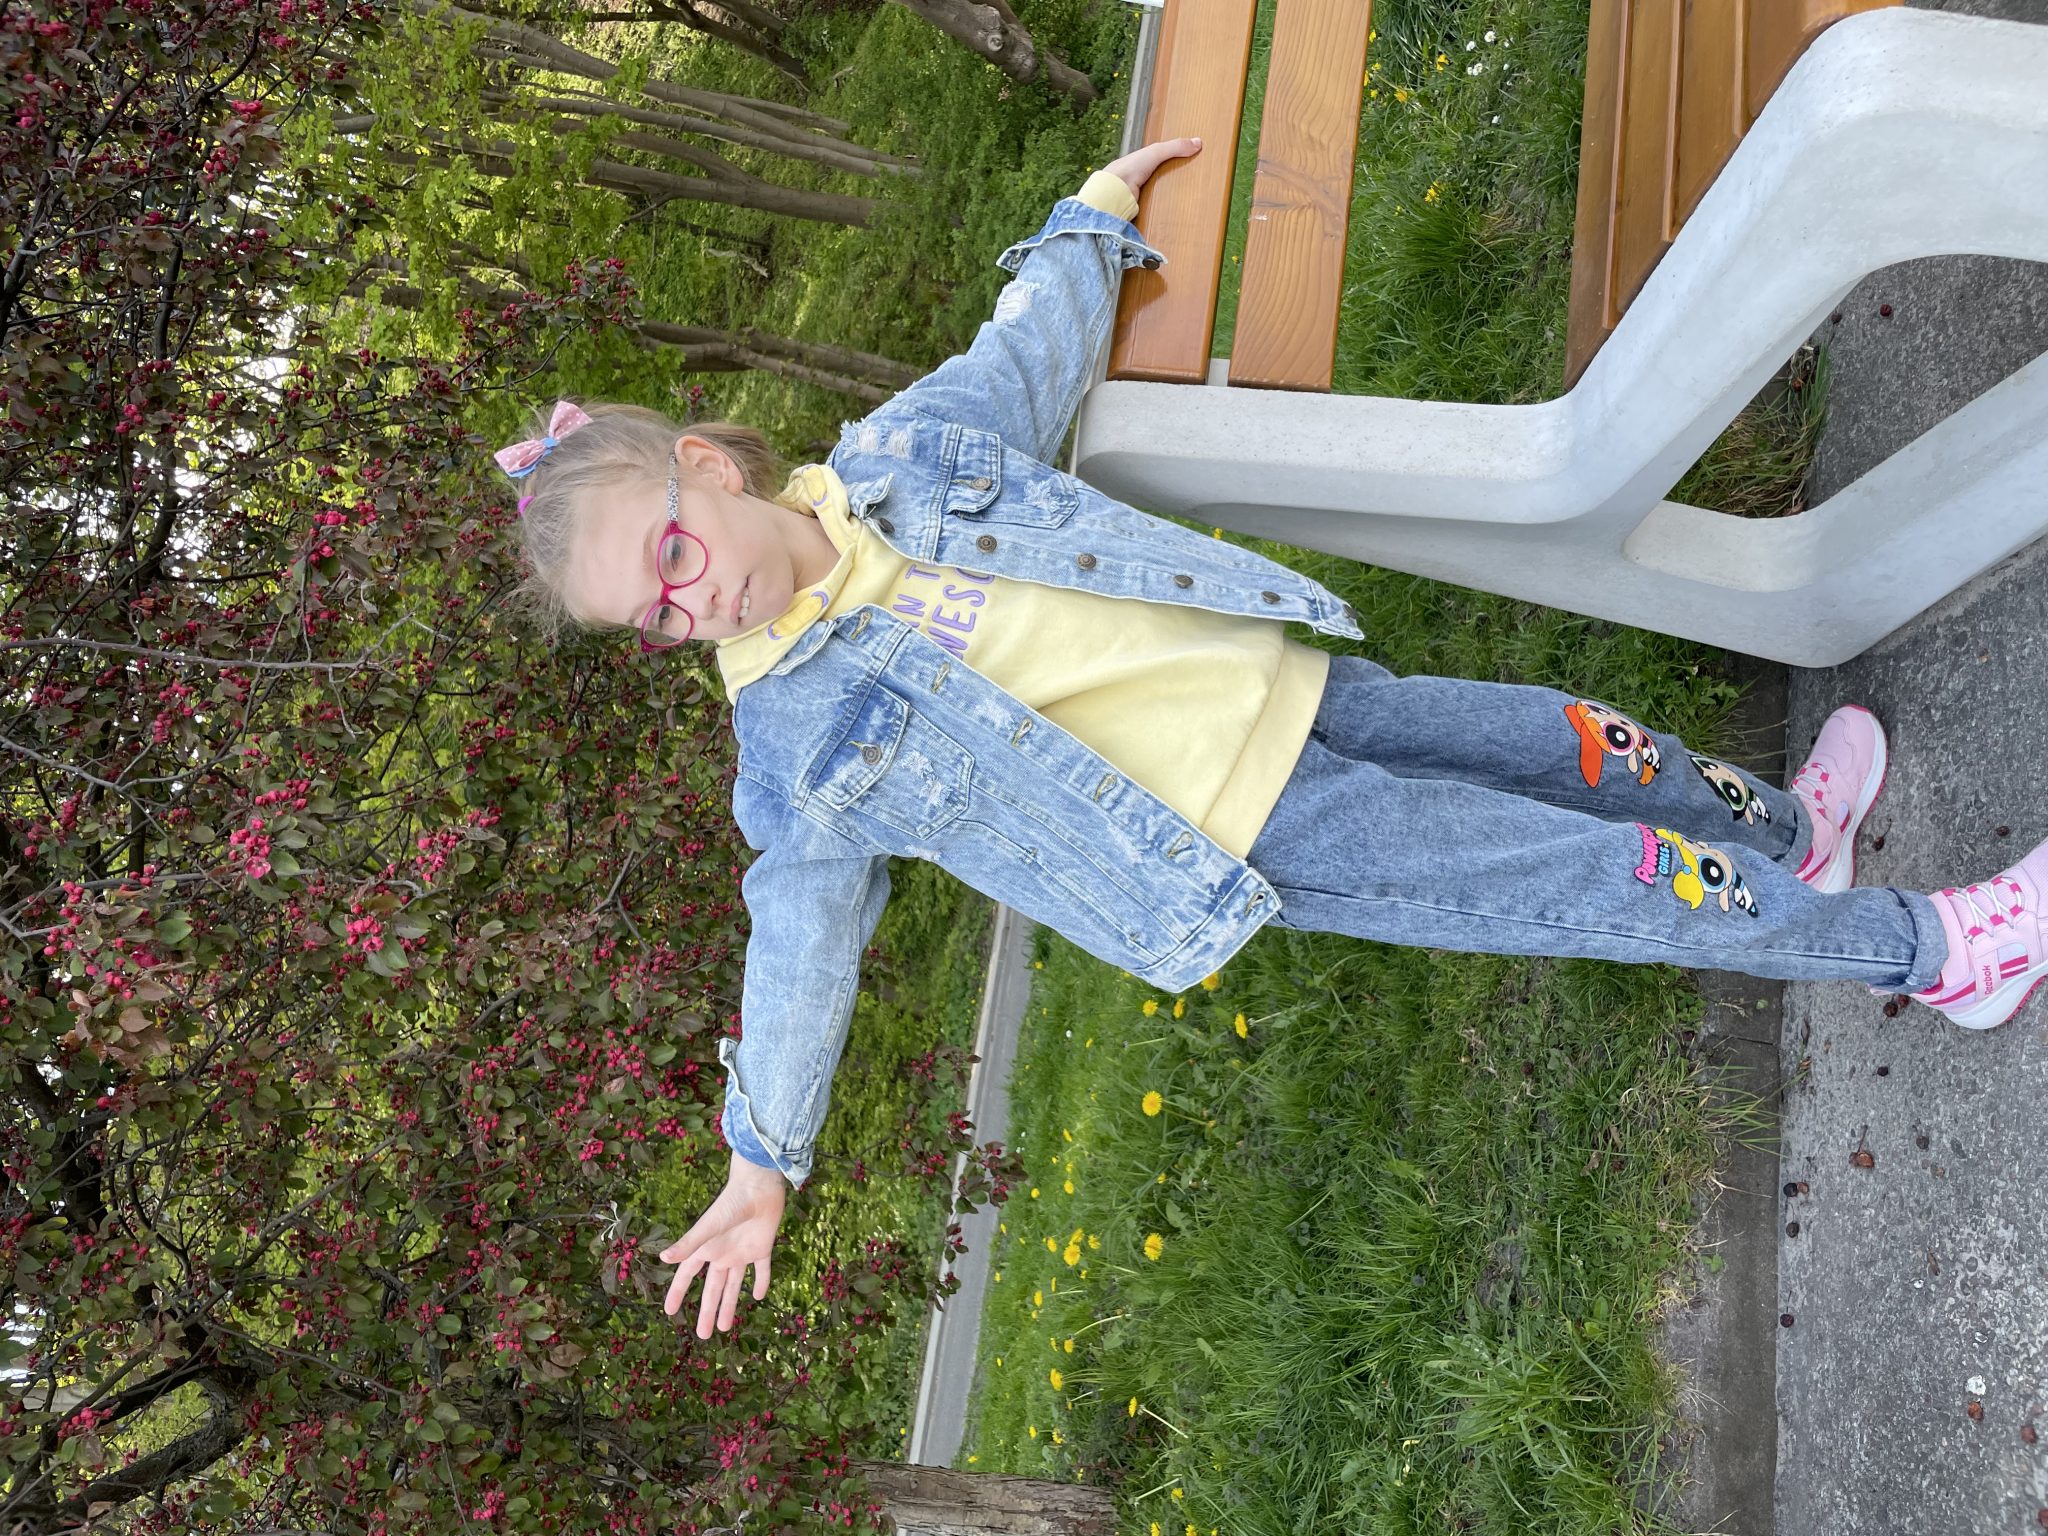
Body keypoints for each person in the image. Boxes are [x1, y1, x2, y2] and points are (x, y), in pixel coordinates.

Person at [494, 137, 2048, 1341]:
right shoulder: (794, 744)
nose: (683, 607)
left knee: (1577, 743)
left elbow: (1025, 352)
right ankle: (1927, 954)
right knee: (1600, 878)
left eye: (670, 557)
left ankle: (1794, 836)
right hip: (1262, 833)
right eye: (648, 619)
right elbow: (797, 933)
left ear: (706, 468)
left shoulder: (903, 459)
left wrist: (1091, 219)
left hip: (1299, 692)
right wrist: (761, 1157)